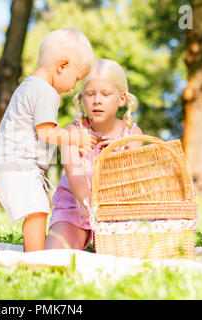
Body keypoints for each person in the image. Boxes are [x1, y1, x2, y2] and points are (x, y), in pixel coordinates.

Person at [0, 28, 97, 252]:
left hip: (9, 165)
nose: (74, 86)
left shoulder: (28, 86)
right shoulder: (46, 92)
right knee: (38, 210)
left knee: (37, 209)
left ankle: (34, 253)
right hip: (17, 166)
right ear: (61, 66)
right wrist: (72, 138)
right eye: (76, 78)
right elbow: (45, 131)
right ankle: (35, 258)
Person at [45, 59, 143, 250]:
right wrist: (92, 209)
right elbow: (75, 176)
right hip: (74, 209)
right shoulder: (72, 133)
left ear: (121, 98)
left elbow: (135, 178)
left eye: (106, 94)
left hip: (117, 212)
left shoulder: (132, 134)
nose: (97, 100)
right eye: (90, 94)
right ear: (82, 99)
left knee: (123, 254)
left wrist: (121, 153)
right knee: (54, 253)